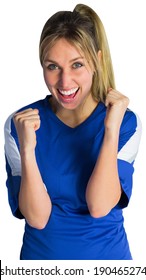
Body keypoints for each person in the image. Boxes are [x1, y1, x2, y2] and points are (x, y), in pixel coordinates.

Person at [4, 3, 142, 260]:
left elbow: (99, 206)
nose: (65, 82)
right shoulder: (20, 124)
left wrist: (110, 131)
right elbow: (37, 217)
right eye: (53, 66)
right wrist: (27, 149)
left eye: (77, 65)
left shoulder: (124, 122)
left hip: (108, 268)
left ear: (96, 61)